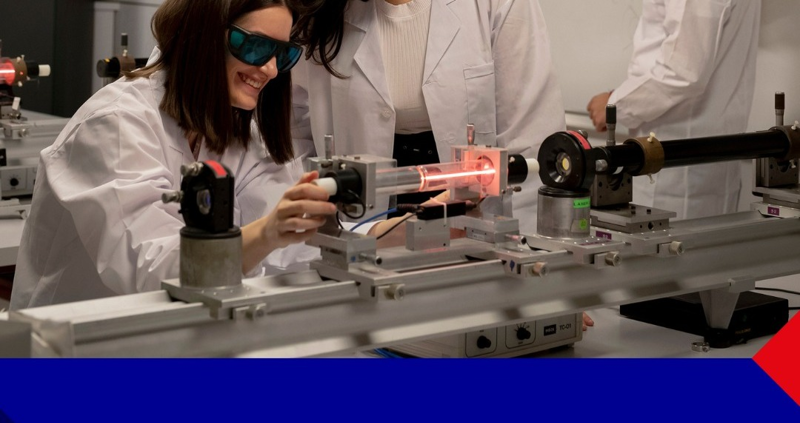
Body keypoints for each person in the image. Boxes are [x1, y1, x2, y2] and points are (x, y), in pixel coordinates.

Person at [10, 0, 335, 310]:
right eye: (255, 46)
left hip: (173, 329)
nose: (271, 69)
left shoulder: (232, 128)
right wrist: (266, 233)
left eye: (283, 54)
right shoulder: (114, 122)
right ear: (204, 35)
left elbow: (284, 245)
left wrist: (352, 236)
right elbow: (153, 268)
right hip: (76, 338)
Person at [290, 0, 566, 237]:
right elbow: (289, 135)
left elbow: (531, 144)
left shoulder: (496, 5)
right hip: (357, 222)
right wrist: (314, 237)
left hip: (480, 224)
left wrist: (523, 253)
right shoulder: (314, 9)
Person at [586, 0, 761, 221]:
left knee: (671, 240)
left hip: (673, 171)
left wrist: (615, 105)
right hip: (701, 161)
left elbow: (683, 72)